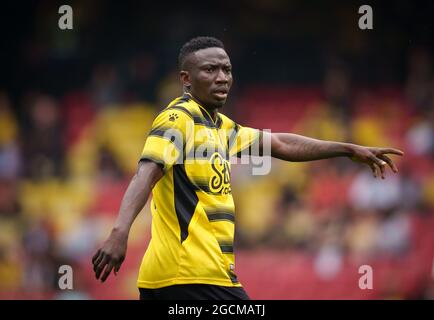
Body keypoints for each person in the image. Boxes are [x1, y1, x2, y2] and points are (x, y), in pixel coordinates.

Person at [92, 36, 404, 300]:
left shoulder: (222, 129)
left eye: (226, 69)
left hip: (200, 276)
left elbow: (281, 145)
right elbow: (146, 172)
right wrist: (120, 232)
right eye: (210, 69)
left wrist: (348, 149)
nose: (222, 77)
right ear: (186, 79)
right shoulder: (178, 119)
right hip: (187, 275)